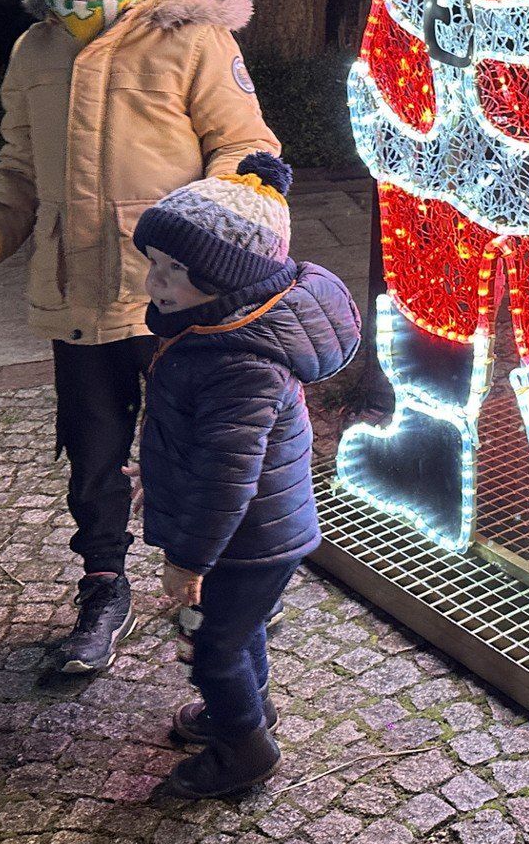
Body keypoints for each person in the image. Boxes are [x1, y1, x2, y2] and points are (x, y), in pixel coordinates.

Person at [0, 0, 279, 675]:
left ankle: (209, 584)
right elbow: (17, 174)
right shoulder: (35, 51)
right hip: (78, 296)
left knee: (197, 452)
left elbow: (245, 146)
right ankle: (103, 587)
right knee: (93, 454)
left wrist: (225, 217)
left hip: (177, 297)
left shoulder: (192, 40)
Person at [131, 151, 360, 797]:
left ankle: (245, 751)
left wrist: (188, 561)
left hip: (252, 537)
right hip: (251, 529)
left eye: (176, 271)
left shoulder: (240, 363)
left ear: (226, 278)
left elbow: (226, 478)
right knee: (239, 629)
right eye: (154, 263)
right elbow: (202, 445)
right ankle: (249, 710)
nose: (155, 282)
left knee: (215, 649)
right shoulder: (215, 329)